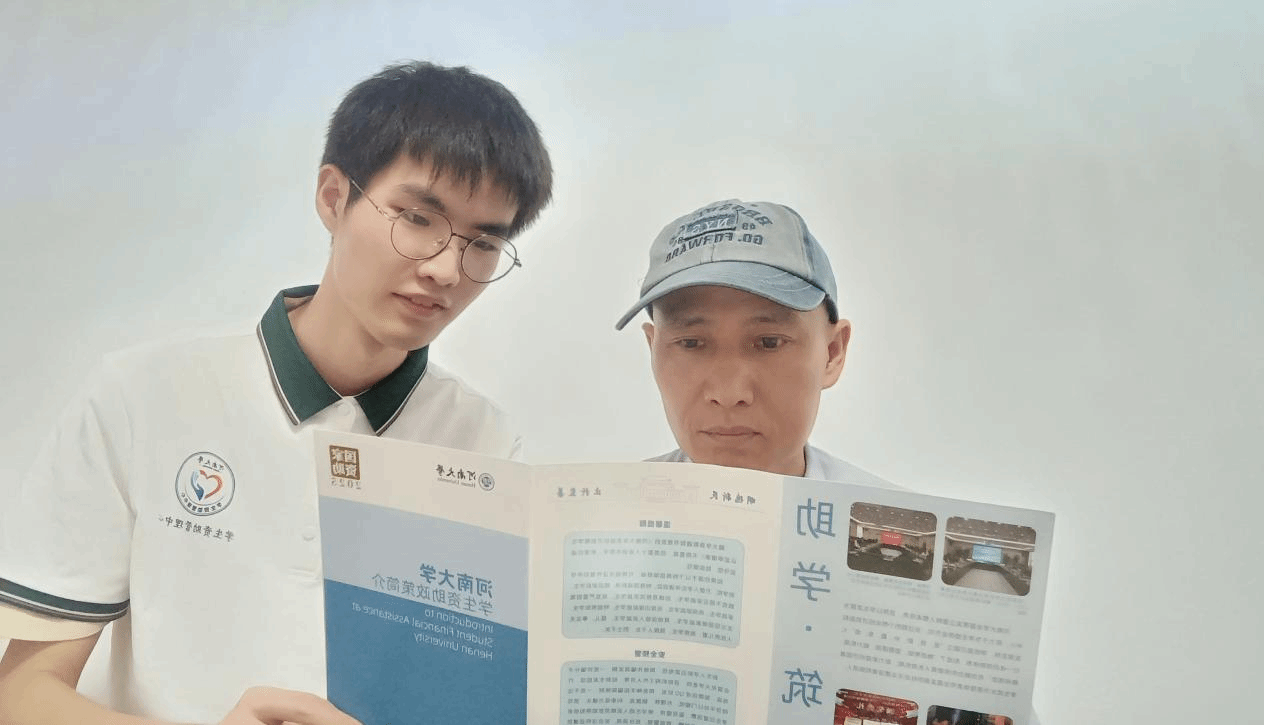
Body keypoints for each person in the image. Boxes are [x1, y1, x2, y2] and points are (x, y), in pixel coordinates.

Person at [0, 60, 552, 725]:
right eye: (416, 217)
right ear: (333, 198)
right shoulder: (143, 398)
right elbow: (20, 695)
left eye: (483, 243)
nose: (444, 268)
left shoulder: (485, 445)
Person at [615, 198, 1041, 725]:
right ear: (653, 349)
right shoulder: (590, 529)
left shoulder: (928, 567)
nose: (728, 391)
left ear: (833, 353)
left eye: (768, 341)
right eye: (691, 342)